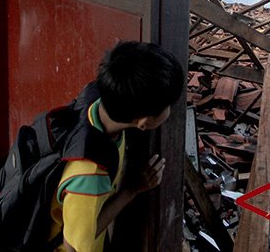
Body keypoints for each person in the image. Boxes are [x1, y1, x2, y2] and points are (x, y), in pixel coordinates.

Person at [48, 41, 184, 252]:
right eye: (168, 105)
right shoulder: (89, 176)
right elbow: (73, 246)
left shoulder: (94, 99)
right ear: (144, 122)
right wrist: (131, 190)